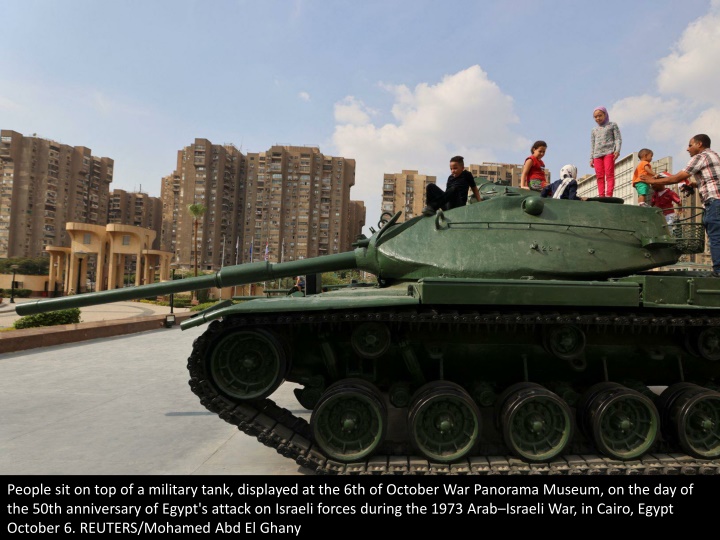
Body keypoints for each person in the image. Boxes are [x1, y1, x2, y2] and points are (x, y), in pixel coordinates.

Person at [643, 134, 720, 276]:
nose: (687, 149)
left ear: (699, 144)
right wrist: (693, 184)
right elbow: (712, 180)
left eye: (690, 145)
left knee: (716, 237)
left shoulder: (701, 157)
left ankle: (718, 272)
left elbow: (677, 178)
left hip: (714, 202)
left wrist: (652, 181)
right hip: (715, 201)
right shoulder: (714, 156)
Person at [590, 106, 622, 197]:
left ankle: (609, 195)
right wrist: (591, 157)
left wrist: (617, 150)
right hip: (597, 155)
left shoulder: (612, 125)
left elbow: (618, 139)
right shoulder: (594, 130)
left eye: (600, 115)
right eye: (595, 117)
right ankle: (601, 195)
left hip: (609, 152)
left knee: (609, 174)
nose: (598, 118)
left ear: (605, 114)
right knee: (599, 176)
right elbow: (592, 144)